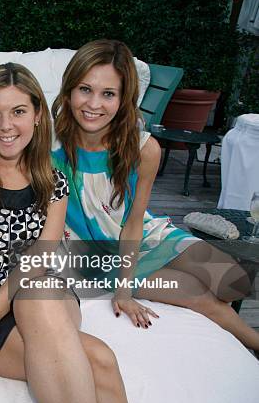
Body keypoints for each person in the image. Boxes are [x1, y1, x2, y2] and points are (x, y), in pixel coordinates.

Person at [0, 62, 128, 403]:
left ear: (37, 114)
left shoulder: (53, 182)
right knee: (101, 361)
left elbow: (40, 258)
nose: (5, 126)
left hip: (41, 293)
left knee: (37, 290)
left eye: (18, 111)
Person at [50, 39, 259, 350]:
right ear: (68, 91)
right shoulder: (50, 148)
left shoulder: (143, 148)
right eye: (85, 89)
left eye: (108, 93)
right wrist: (123, 290)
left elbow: (134, 222)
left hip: (145, 234)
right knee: (202, 297)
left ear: (123, 100)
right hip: (100, 257)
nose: (94, 104)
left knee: (234, 283)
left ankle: (168, 265)